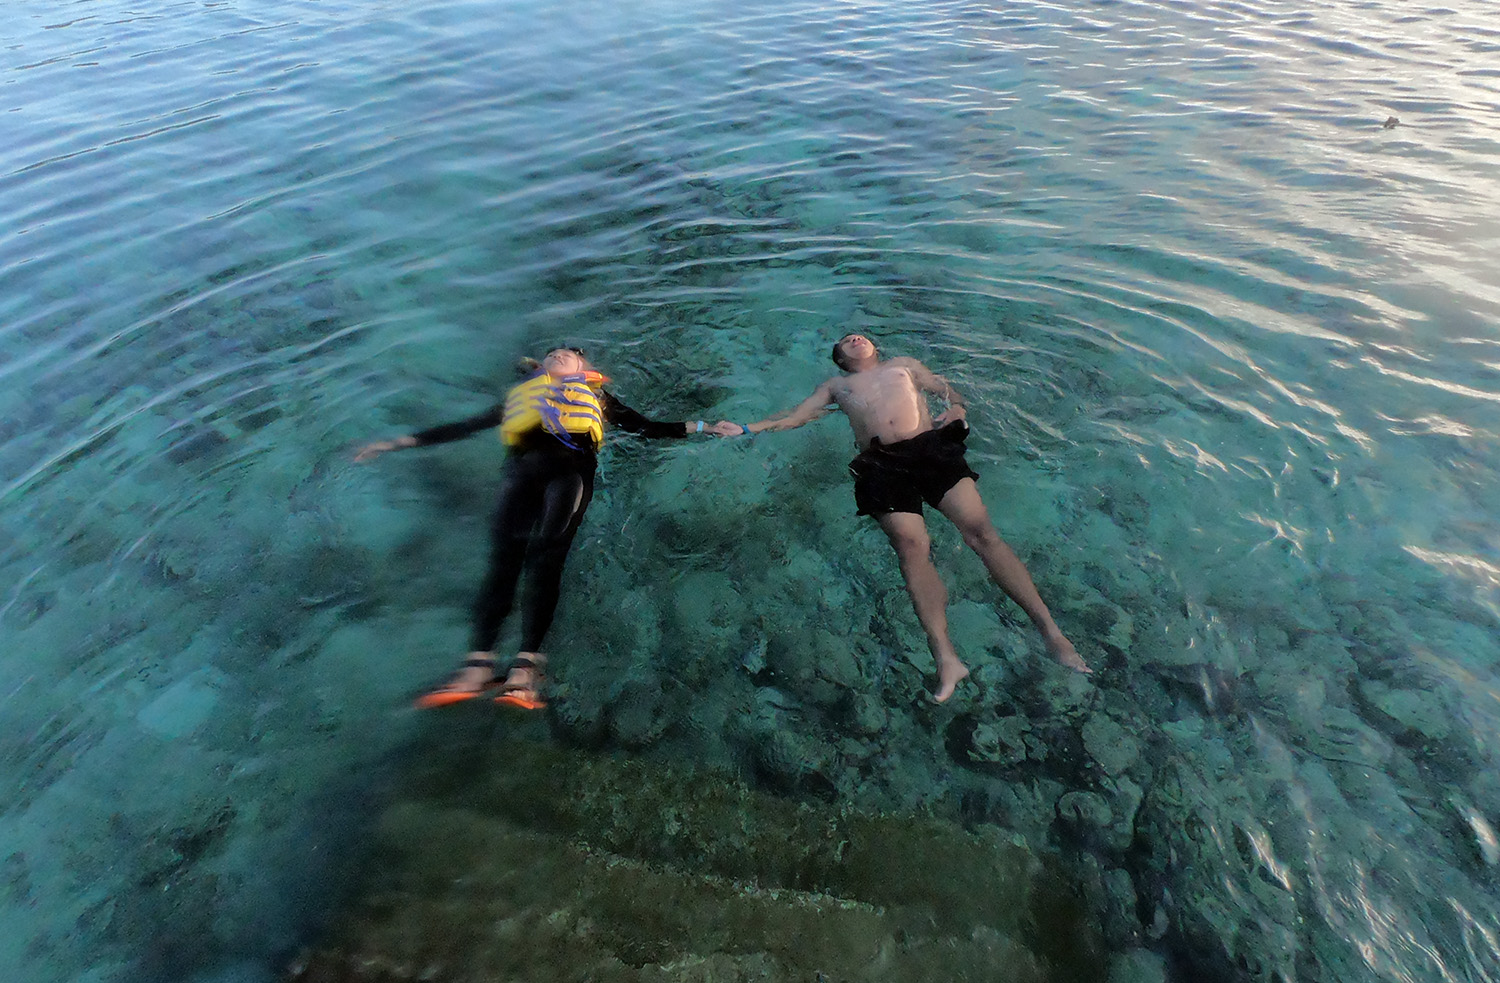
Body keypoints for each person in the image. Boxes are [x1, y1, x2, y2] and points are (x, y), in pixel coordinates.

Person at [717, 333, 1089, 703]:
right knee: (912, 549)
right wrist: (748, 428)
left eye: (860, 336)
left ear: (876, 348)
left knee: (982, 534)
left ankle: (1053, 634)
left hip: (929, 449)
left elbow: (946, 390)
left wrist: (958, 409)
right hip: (879, 465)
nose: (855, 338)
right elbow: (796, 416)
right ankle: (945, 656)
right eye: (847, 340)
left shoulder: (903, 366)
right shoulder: (836, 385)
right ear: (840, 358)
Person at [357, 346, 734, 709]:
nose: (557, 353)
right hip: (520, 477)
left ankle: (526, 668)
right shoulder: (520, 396)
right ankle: (478, 665)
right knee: (504, 562)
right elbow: (465, 426)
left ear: (583, 368)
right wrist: (397, 443)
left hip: (569, 476)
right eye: (552, 352)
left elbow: (647, 428)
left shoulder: (597, 396)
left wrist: (707, 426)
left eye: (567, 354)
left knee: (547, 558)